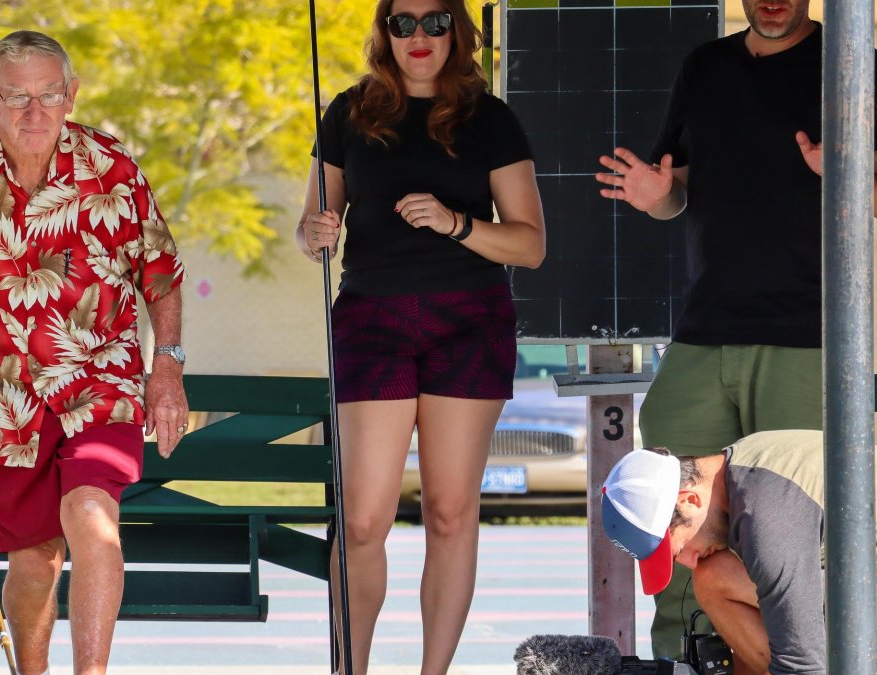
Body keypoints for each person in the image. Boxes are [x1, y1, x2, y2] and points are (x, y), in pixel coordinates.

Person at [0, 30, 187, 675]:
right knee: (34, 559)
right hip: (1, 399)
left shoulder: (113, 170)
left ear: (71, 95)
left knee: (92, 513)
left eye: (49, 95)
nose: (34, 111)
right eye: (16, 96)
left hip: (99, 387)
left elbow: (159, 276)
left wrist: (167, 369)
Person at [590, 0, 877, 656]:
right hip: (705, 326)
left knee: (802, 532)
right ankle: (683, 658)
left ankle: (835, 655)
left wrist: (850, 178)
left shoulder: (853, 60)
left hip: (812, 334)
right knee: (668, 503)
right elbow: (674, 187)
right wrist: (653, 196)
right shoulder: (706, 66)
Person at [296, 0, 545, 672]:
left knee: (448, 511)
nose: (419, 36)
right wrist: (314, 232)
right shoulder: (350, 111)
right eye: (402, 23)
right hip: (373, 319)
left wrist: (455, 223)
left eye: (435, 21)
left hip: (469, 322)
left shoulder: (489, 118)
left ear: (457, 30)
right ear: (384, 32)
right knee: (364, 520)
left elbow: (529, 243)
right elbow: (313, 221)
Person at [601, 430, 827, 675]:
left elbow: (803, 667)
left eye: (680, 550)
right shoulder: (741, 469)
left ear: (689, 500)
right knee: (713, 576)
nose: (691, 562)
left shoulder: (767, 521)